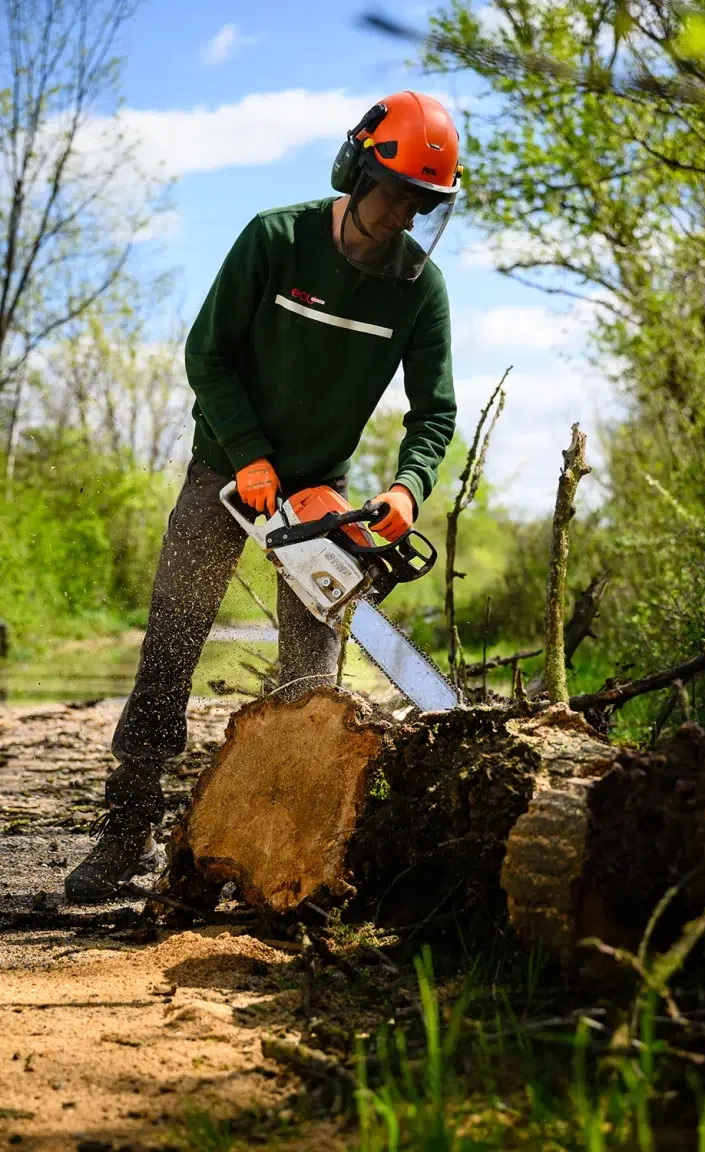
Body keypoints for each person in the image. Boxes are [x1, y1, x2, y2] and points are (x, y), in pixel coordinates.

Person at [65, 90, 462, 904]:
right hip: (223, 473)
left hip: (323, 491)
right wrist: (246, 456)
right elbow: (207, 357)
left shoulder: (420, 290)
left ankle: (294, 854)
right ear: (357, 168)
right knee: (169, 649)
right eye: (393, 195)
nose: (400, 218)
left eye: (421, 207)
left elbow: (436, 413)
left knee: (312, 684)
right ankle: (125, 831)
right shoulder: (275, 239)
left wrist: (407, 488)